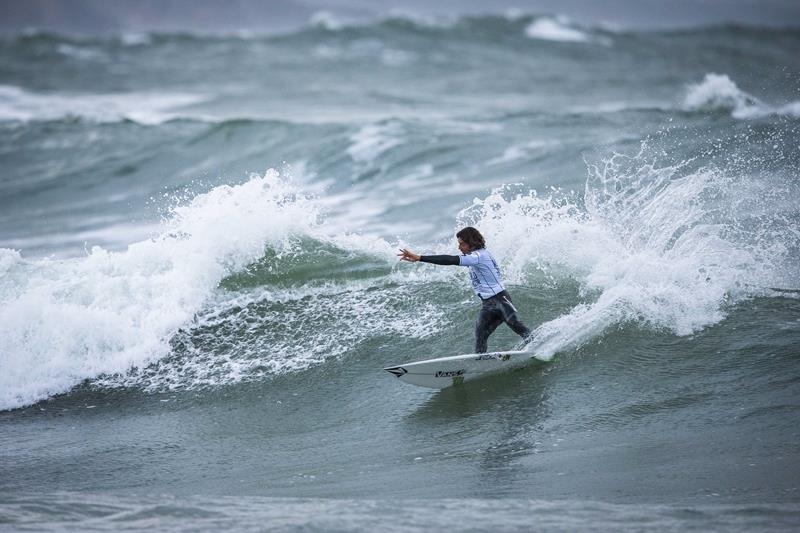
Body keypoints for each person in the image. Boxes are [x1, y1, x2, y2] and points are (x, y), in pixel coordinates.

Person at [398, 226, 532, 353]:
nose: (459, 247)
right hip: (488, 303)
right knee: (480, 333)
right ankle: (481, 361)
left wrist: (420, 257)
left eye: (462, 243)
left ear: (472, 243)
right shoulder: (476, 256)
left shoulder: (479, 256)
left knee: (515, 324)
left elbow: (449, 260)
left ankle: (536, 345)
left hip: (500, 299)